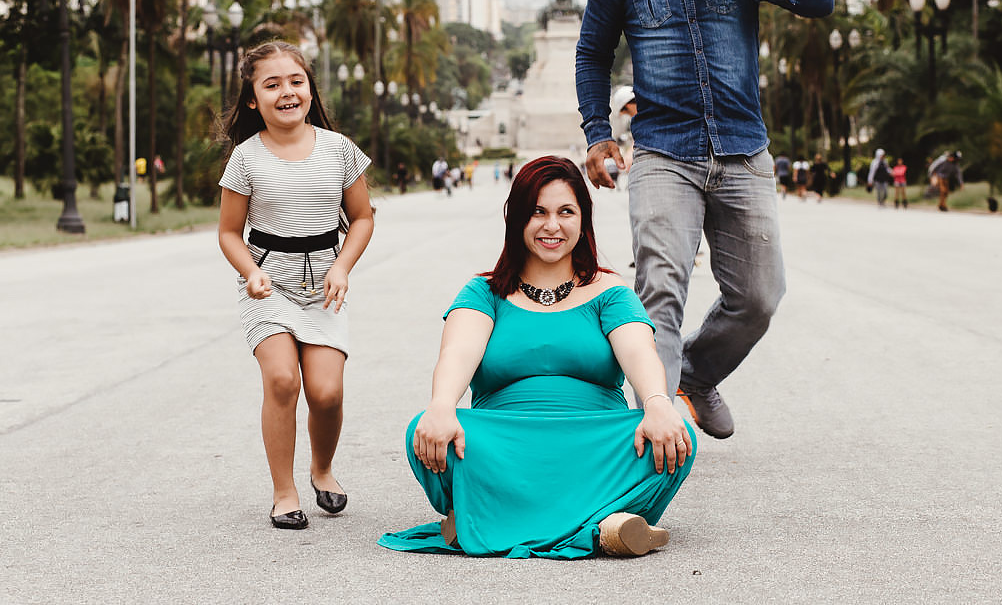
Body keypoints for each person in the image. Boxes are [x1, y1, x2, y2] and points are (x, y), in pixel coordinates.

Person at [575, 0, 833, 439]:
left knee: (760, 298)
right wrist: (597, 134)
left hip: (743, 151)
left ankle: (693, 375)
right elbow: (592, 55)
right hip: (665, 152)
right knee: (660, 290)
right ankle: (658, 425)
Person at [379, 157, 695, 558]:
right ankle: (602, 524)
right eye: (537, 212)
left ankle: (486, 521)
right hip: (504, 447)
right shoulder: (484, 292)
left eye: (566, 212)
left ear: (584, 219)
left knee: (674, 436)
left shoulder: (609, 290)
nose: (552, 225)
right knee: (423, 432)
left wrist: (656, 402)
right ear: (517, 219)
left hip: (592, 443)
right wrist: (442, 405)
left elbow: (639, 350)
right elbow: (458, 351)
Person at [216, 41, 375, 530]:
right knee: (283, 380)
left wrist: (343, 266)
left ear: (309, 87)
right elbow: (228, 232)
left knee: (326, 392)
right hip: (267, 287)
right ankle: (283, 492)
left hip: (324, 287)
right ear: (252, 99)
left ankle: (321, 468)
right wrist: (250, 272)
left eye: (296, 81)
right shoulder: (245, 159)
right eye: (272, 84)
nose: (286, 92)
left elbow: (363, 218)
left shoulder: (339, 148)